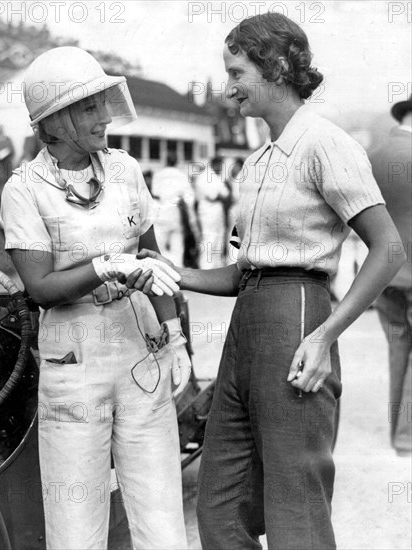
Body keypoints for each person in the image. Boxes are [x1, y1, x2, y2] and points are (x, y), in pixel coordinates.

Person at [136, 13, 406, 550]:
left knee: (294, 503)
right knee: (221, 505)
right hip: (247, 324)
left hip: (297, 313)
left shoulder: (326, 144)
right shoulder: (257, 161)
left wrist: (324, 335)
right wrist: (174, 273)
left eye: (237, 71)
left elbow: (388, 249)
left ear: (278, 67)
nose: (228, 85)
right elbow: (244, 270)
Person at [0, 46, 190, 550]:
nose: (104, 117)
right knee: (75, 518)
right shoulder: (24, 189)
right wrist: (103, 265)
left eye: (102, 104)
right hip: (74, 360)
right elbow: (39, 287)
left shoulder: (125, 171)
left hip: (138, 349)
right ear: (54, 121)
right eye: (88, 107)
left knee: (160, 509)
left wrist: (174, 337)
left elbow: (152, 258)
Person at [370, 94, 412, 456]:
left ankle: (398, 435)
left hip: (385, 272)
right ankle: (407, 437)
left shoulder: (375, 156)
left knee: (398, 349)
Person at [152, 152, 198, 266]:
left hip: (160, 214)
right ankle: (177, 273)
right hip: (175, 214)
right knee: (177, 248)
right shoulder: (182, 175)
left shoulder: (158, 174)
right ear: (177, 162)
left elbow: (154, 193)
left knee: (160, 246)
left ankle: (161, 270)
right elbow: (189, 199)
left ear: (165, 161)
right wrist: (192, 220)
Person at [196, 155, 229, 268]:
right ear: (215, 164)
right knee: (209, 238)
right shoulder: (204, 176)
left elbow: (226, 194)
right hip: (208, 210)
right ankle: (206, 266)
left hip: (217, 210)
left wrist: (220, 195)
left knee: (219, 237)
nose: (221, 167)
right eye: (220, 164)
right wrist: (220, 195)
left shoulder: (216, 176)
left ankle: (217, 265)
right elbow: (212, 196)